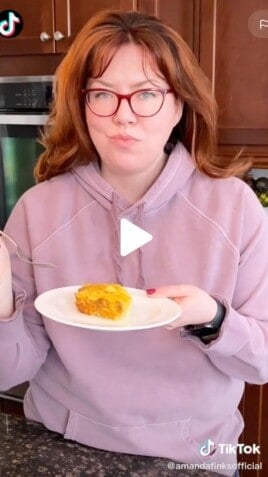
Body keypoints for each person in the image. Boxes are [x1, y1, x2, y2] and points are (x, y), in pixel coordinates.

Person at [0, 10, 267, 477]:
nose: (124, 116)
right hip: (63, 441)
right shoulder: (37, 210)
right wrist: (2, 304)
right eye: (102, 94)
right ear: (82, 105)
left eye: (146, 94)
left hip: (196, 456)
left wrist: (214, 318)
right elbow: (8, 373)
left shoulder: (235, 208)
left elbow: (261, 362)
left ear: (180, 104)